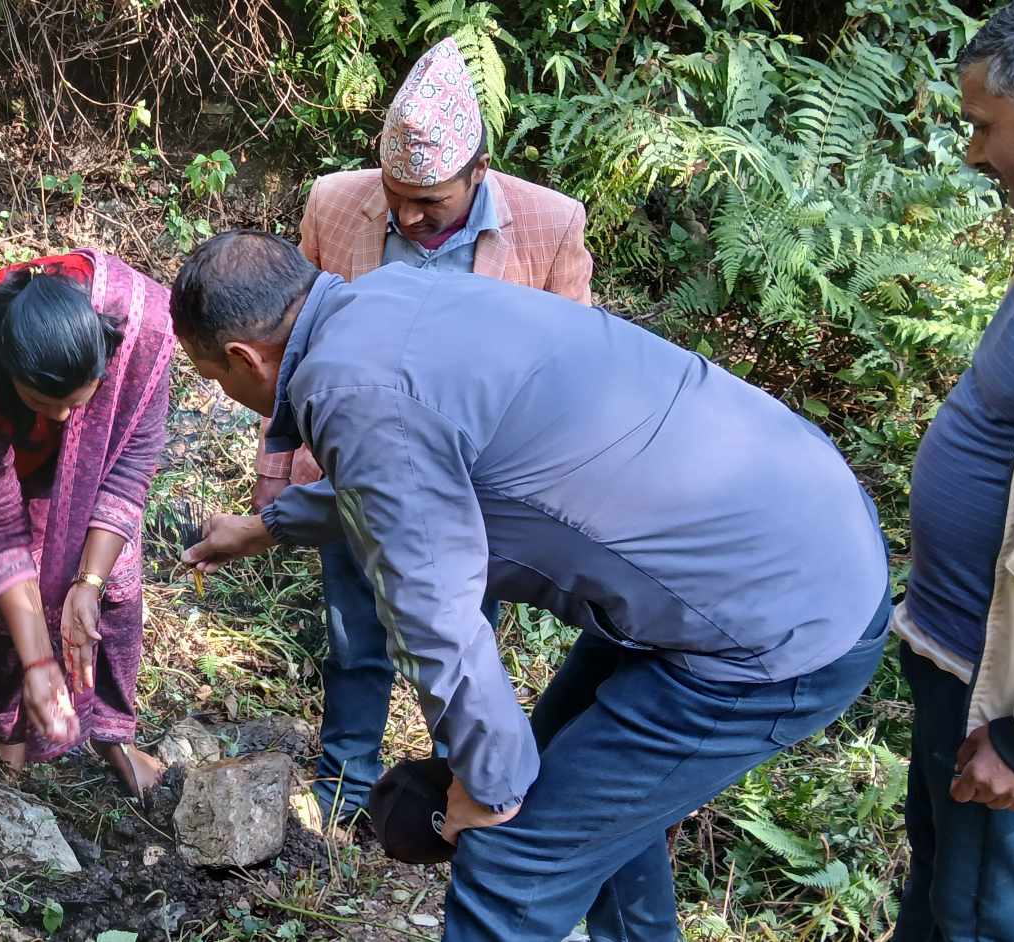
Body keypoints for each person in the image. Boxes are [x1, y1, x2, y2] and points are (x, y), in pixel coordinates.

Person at [174, 230, 890, 939]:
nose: (226, 392)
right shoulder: (390, 305)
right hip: (780, 545)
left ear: (243, 357)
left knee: (512, 859)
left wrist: (485, 789)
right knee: (574, 793)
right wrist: (269, 526)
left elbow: (433, 610)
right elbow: (414, 476)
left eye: (213, 379)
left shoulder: (352, 390)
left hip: (767, 628)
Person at [260, 35, 597, 825]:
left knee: (463, 635)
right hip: (354, 463)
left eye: (432, 203)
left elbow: (572, 376)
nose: (409, 216)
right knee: (354, 632)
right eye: (397, 196)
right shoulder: (335, 202)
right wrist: (277, 474)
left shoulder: (548, 225)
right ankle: (344, 788)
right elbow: (289, 345)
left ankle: (461, 788)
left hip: (475, 484)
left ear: (480, 172)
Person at [889, 2, 1014, 937]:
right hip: (962, 652)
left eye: (984, 126)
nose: (972, 153)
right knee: (938, 894)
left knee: (980, 919)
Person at [0, 250, 175, 800]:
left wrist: (87, 583)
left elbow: (131, 464)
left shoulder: (140, 329)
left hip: (101, 456)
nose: (65, 419)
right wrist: (39, 661)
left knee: (116, 578)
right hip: (12, 448)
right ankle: (16, 726)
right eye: (46, 402)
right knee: (5, 587)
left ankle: (112, 732)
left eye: (78, 401)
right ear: (12, 375)